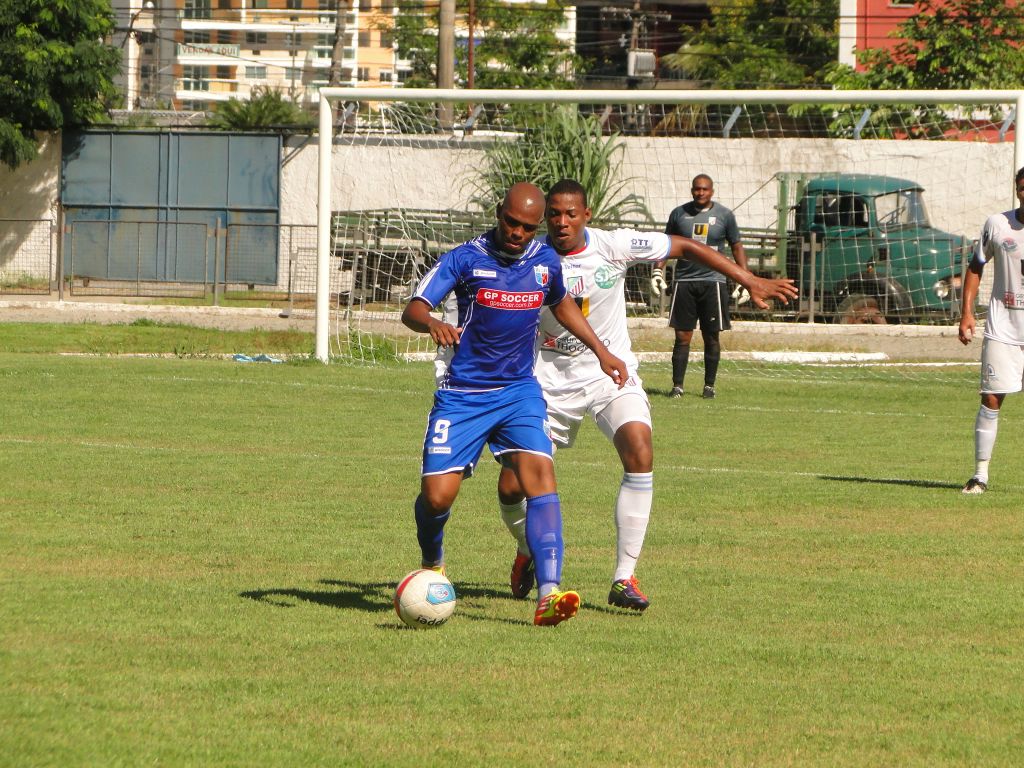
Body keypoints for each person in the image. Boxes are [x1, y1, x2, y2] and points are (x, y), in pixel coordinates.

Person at [496, 179, 798, 611]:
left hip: (609, 374)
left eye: (571, 214)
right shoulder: (528, 254)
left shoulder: (615, 245)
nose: (562, 223)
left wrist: (748, 278)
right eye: (554, 215)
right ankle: (527, 549)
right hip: (545, 383)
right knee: (511, 487)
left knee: (639, 448)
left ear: (587, 215)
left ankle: (623, 577)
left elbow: (687, 247)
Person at [401, 182, 628, 627]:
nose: (518, 233)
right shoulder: (465, 258)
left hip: (519, 392)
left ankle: (549, 593)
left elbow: (563, 306)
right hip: (463, 394)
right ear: (498, 213)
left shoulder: (545, 261)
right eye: (511, 222)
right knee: (437, 495)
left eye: (528, 227)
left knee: (540, 474)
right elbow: (412, 308)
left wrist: (602, 351)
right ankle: (433, 563)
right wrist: (430, 321)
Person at [652, 173, 748, 400]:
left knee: (711, 336)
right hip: (684, 281)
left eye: (705, 189)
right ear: (692, 190)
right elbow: (666, 244)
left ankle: (709, 386)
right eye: (697, 189)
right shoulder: (679, 214)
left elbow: (736, 246)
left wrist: (745, 278)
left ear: (712, 191)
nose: (701, 193)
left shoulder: (725, 215)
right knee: (682, 336)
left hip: (714, 282)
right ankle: (677, 386)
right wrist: (658, 270)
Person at [958, 166, 1024, 494]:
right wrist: (967, 313)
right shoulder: (997, 224)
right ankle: (980, 475)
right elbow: (975, 267)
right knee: (991, 398)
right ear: (1018, 190)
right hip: (1003, 330)